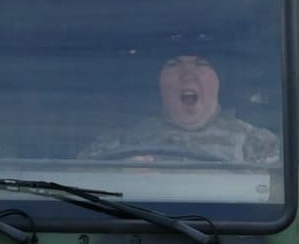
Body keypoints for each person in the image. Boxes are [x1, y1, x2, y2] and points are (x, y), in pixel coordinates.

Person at [81, 53, 279, 165]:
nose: (188, 75)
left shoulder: (256, 143)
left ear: (219, 81)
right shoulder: (124, 142)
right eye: (173, 64)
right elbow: (79, 183)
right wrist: (122, 175)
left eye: (201, 64)